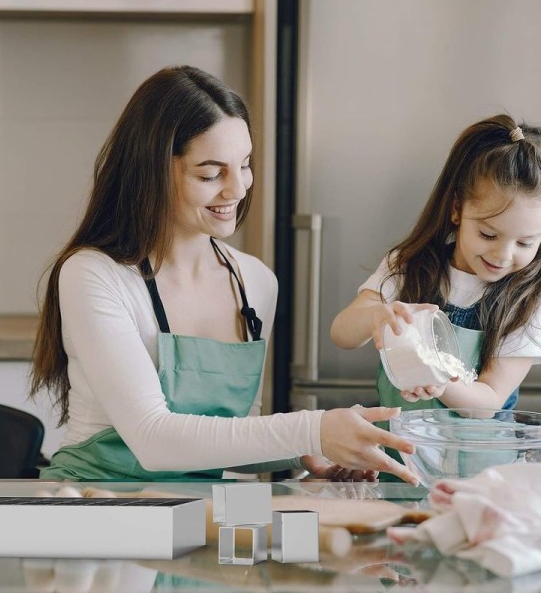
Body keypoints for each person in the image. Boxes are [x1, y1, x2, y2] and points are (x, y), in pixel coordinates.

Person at [30, 65, 417, 484]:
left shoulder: (255, 283)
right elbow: (154, 439)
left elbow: (227, 439)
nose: (237, 189)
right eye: (211, 173)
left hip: (198, 513)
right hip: (93, 507)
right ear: (153, 171)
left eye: (245, 165)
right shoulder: (94, 275)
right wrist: (312, 429)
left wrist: (311, 451)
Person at [331, 114, 541, 472]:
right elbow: (342, 334)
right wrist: (374, 317)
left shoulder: (528, 301)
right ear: (457, 209)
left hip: (480, 478)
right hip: (397, 463)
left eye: (525, 242)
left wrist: (434, 375)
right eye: (488, 235)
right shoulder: (409, 266)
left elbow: (486, 403)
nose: (503, 255)